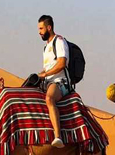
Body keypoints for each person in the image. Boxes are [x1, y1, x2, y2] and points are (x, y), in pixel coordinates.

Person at [37, 15, 70, 148]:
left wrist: (46, 74)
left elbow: (62, 63)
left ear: (49, 28)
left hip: (60, 82)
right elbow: (48, 67)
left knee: (49, 99)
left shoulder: (59, 41)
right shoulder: (46, 48)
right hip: (48, 81)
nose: (39, 32)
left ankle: (58, 136)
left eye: (41, 28)